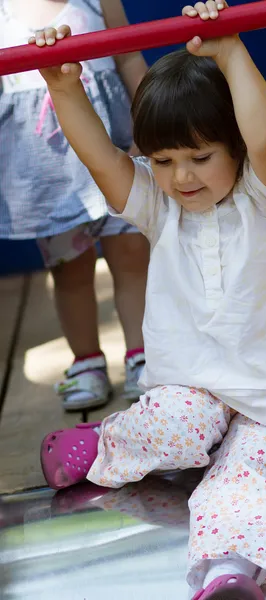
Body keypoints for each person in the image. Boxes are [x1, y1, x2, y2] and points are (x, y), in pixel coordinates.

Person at [37, 2, 266, 598]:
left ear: (236, 148)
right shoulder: (159, 206)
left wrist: (228, 50)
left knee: (248, 469)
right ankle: (106, 443)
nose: (182, 178)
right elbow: (102, 158)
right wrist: (64, 88)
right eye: (165, 160)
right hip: (193, 387)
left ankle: (229, 570)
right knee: (180, 427)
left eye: (201, 157)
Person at [0, 0, 149, 411]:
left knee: (133, 253)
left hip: (116, 146)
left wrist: (151, 119)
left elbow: (130, 55)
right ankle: (86, 362)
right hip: (47, 174)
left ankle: (142, 354)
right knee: (69, 270)